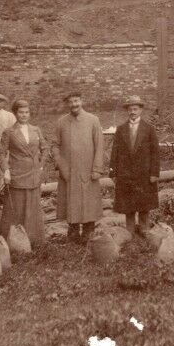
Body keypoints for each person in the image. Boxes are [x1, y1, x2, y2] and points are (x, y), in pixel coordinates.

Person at [52, 92, 104, 243]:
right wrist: (60, 163)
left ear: (82, 101)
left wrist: (97, 168)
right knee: (71, 202)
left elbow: (99, 145)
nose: (74, 104)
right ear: (67, 104)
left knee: (89, 203)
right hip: (69, 171)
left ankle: (89, 234)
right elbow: (55, 145)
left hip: (88, 170)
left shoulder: (93, 120)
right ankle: (73, 235)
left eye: (76, 101)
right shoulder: (61, 122)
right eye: (71, 102)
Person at [0, 100, 48, 247]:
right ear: (15, 113)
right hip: (17, 174)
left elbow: (45, 148)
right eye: (21, 112)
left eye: (27, 112)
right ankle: (15, 242)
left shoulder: (36, 130)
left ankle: (35, 240)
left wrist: (41, 165)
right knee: (16, 208)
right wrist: (6, 171)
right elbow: (1, 153)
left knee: (33, 206)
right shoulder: (9, 132)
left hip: (33, 174)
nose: (24, 115)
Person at [109, 96, 160, 236]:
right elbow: (115, 151)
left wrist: (154, 173)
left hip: (144, 172)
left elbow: (155, 152)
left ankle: (144, 229)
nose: (132, 112)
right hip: (126, 173)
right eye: (130, 109)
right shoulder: (121, 129)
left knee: (144, 203)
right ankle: (129, 230)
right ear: (127, 111)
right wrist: (113, 171)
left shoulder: (149, 129)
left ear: (141, 110)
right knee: (128, 203)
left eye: (135, 109)